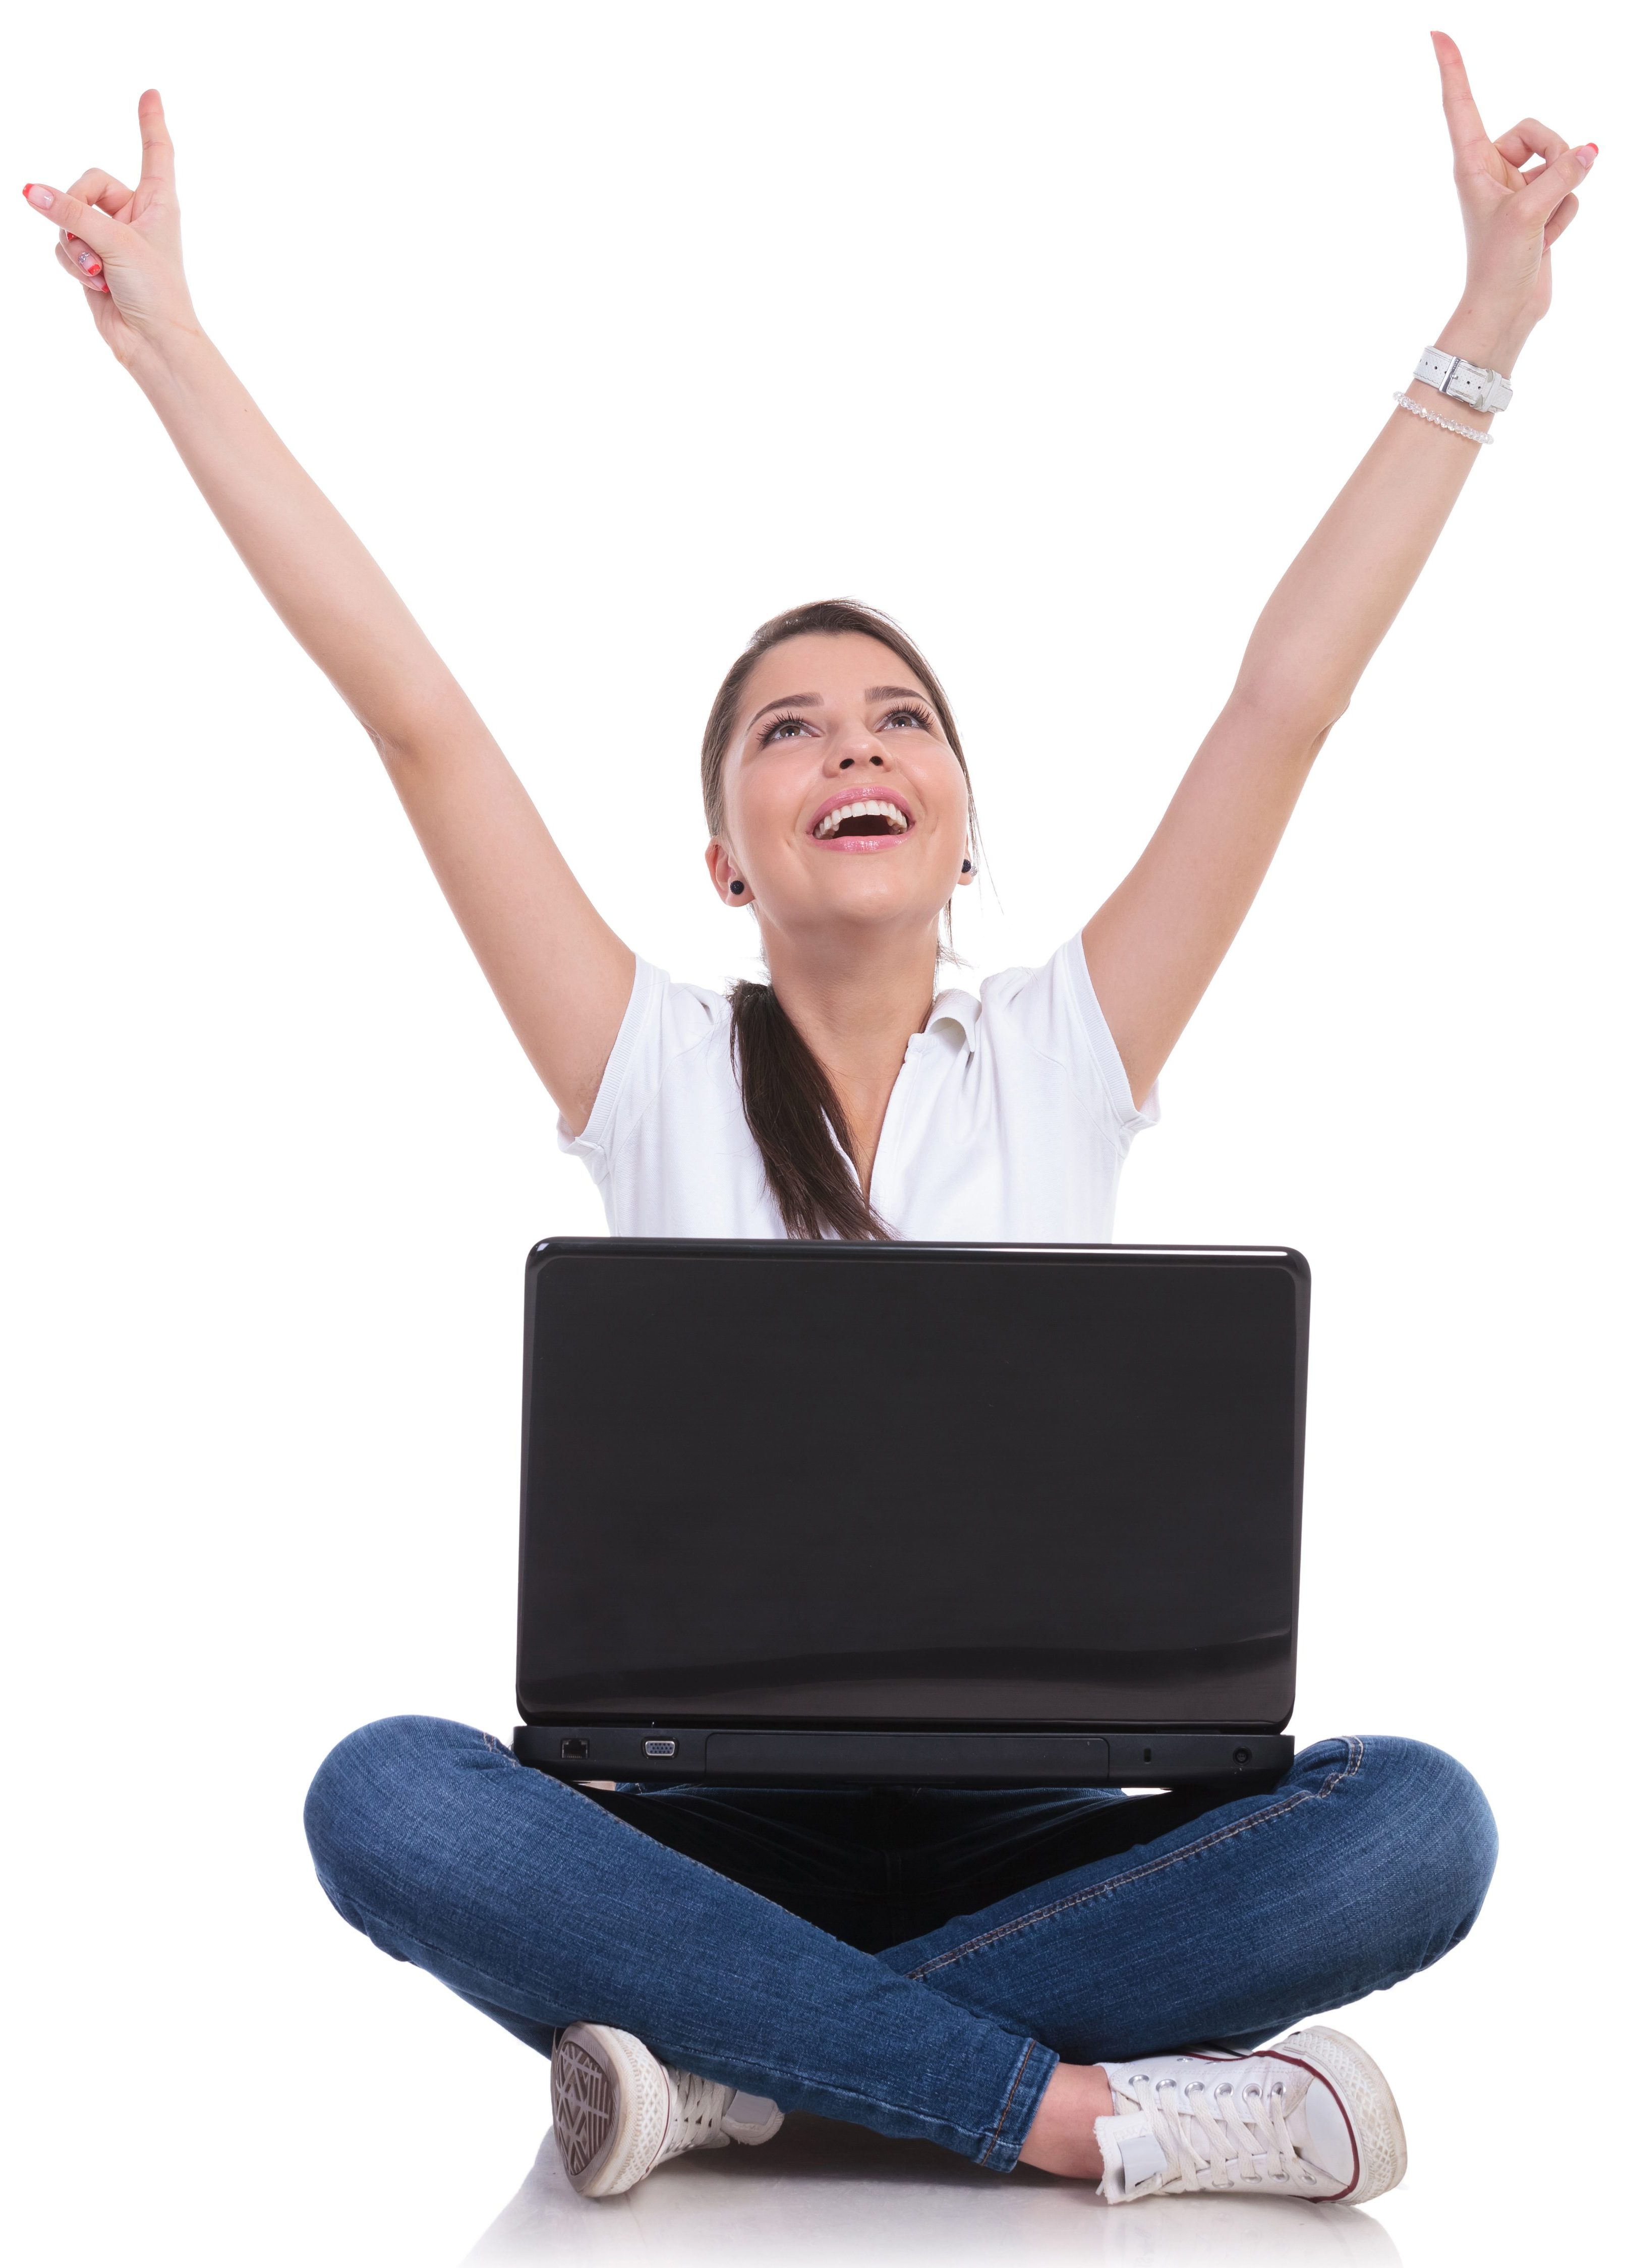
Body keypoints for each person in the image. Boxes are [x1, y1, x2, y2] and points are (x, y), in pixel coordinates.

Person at [24, 30, 1594, 2211]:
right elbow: (414, 711)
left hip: (1034, 1822)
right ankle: (1050, 2105)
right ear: (727, 858)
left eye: (896, 719)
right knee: (385, 1797)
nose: (848, 742)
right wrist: (171, 350)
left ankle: (733, 2074)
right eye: (786, 728)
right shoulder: (650, 1058)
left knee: (1423, 1821)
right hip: (700, 1824)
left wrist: (1484, 331)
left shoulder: (1065, 1048)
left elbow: (1286, 694)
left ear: (957, 827)